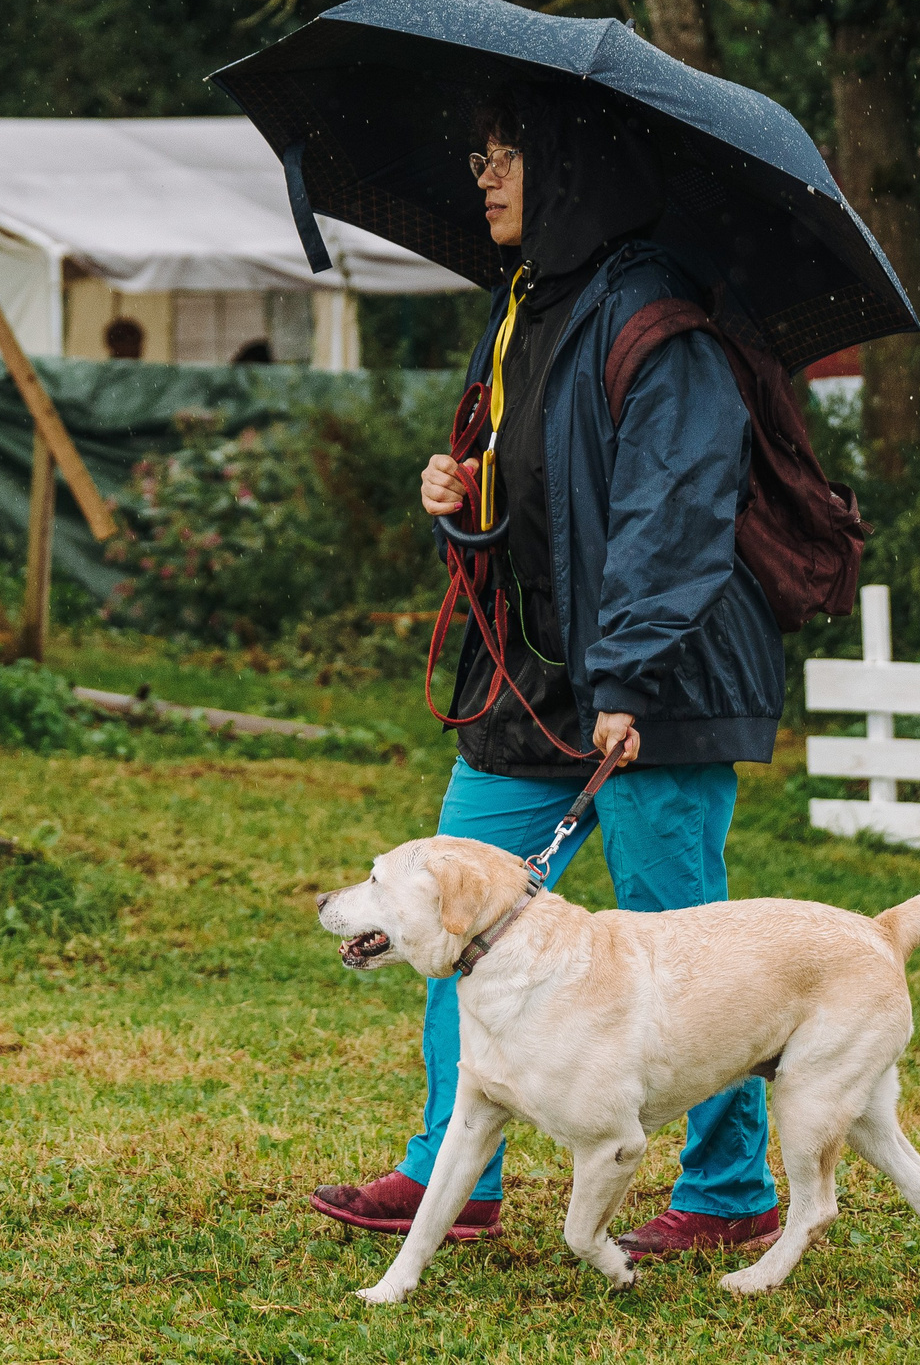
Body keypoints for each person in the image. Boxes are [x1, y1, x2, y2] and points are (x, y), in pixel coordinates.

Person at [309, 83, 788, 1258]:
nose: (483, 174)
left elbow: (673, 512)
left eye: (505, 154)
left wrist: (623, 675)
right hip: (524, 675)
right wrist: (457, 499)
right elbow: (534, 495)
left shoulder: (656, 316)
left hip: (655, 673)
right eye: (476, 153)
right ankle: (449, 1175)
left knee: (687, 948)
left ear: (571, 170)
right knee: (446, 915)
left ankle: (730, 1192)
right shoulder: (525, 303)